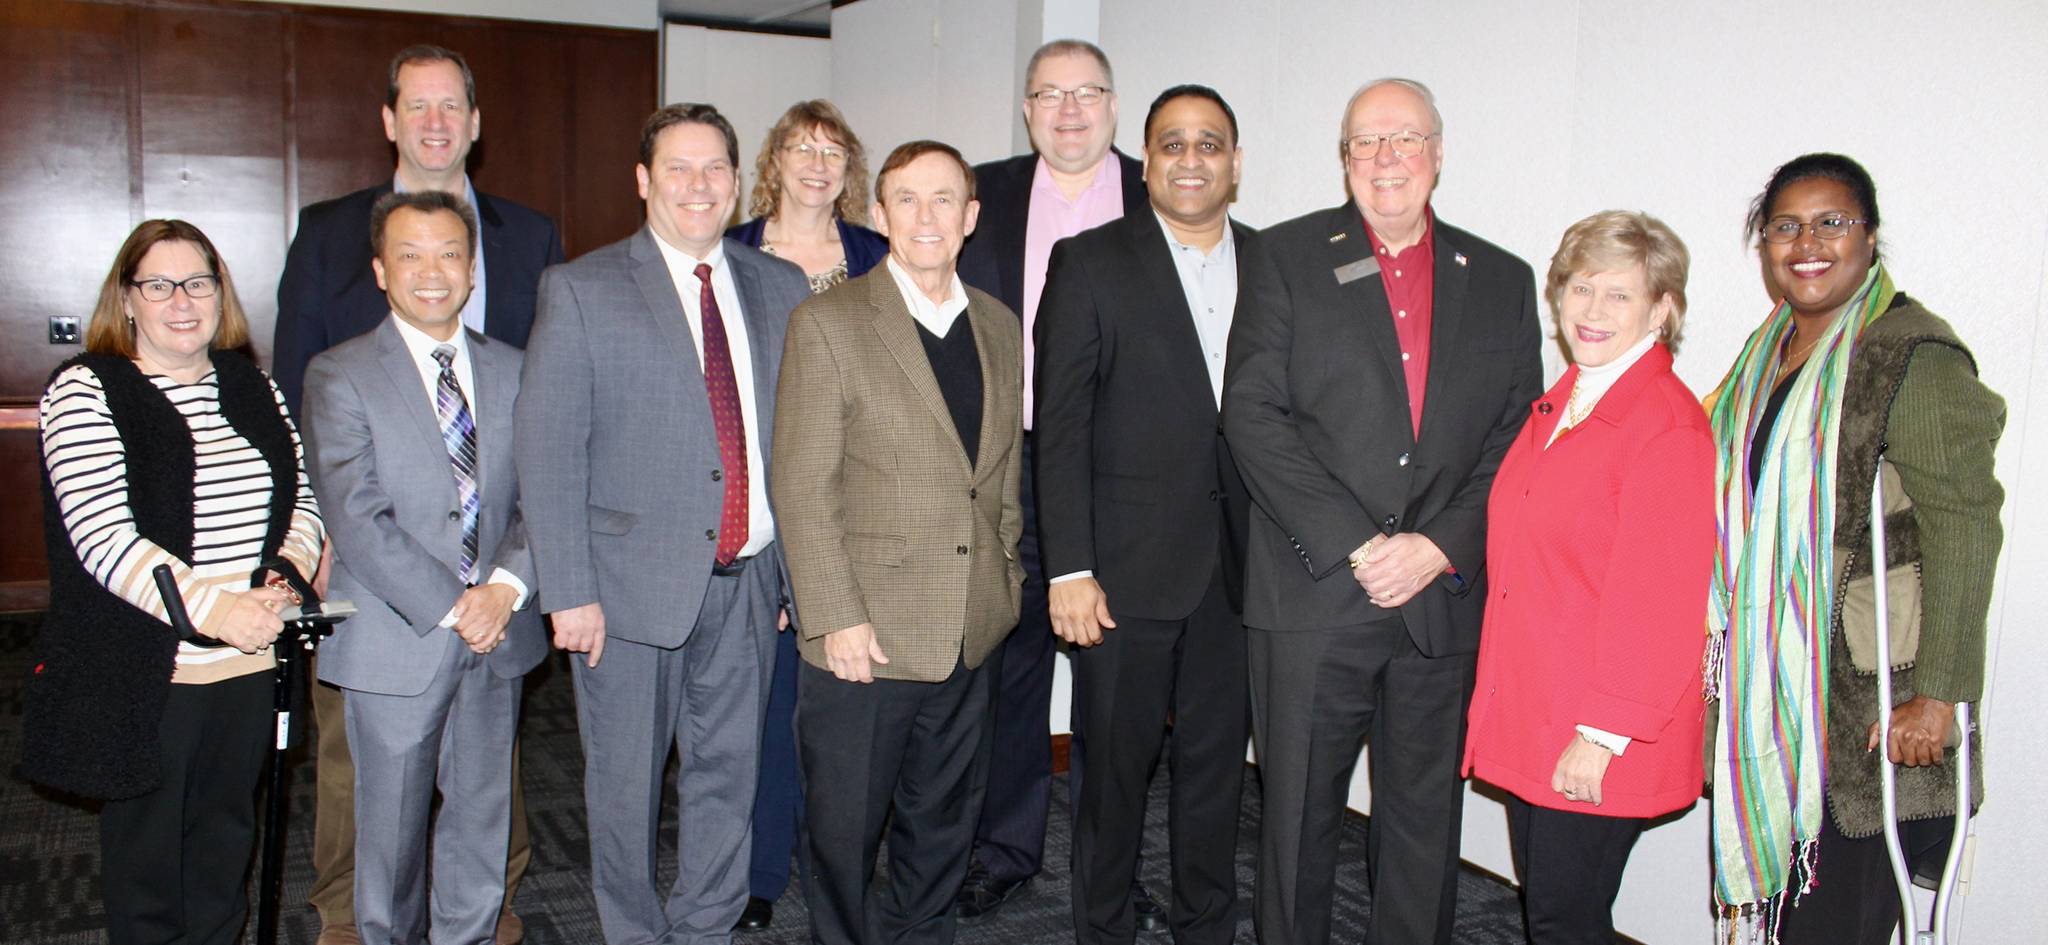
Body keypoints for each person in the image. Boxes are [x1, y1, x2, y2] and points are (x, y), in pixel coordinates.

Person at [1220, 77, 1542, 945]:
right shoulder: (1283, 258)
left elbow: (1518, 434)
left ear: (1438, 152)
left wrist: (1437, 545)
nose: (1385, 158)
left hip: (1439, 604)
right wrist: (1361, 544)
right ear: (1345, 160)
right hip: (1313, 594)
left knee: (1423, 830)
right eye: (1366, 143)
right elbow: (1252, 413)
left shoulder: (1504, 279)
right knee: (1295, 829)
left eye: (1404, 139)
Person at [271, 44, 562, 945]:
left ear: (473, 272)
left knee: (480, 828)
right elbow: (353, 507)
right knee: (384, 839)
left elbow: (544, 488)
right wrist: (455, 604)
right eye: (411, 257)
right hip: (400, 633)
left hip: (496, 632)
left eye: (450, 256)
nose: (433, 271)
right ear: (382, 271)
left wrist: (505, 590)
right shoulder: (340, 372)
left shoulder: (516, 371)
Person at [515, 102, 810, 945]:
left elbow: (792, 440)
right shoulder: (580, 287)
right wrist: (568, 590)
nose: (698, 185)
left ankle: (705, 928)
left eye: (714, 166)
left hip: (750, 581)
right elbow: (548, 449)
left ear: (736, 179)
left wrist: (793, 574)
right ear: (644, 180)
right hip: (625, 592)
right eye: (677, 168)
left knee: (728, 777)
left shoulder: (778, 285)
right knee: (624, 786)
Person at [1706, 153, 2004, 945]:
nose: (1808, 241)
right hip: (1777, 693)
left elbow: (1967, 526)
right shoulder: (1766, 353)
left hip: (1868, 701)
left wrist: (1939, 694)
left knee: (1839, 923)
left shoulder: (1913, 354)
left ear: (1869, 238)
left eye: (1831, 221)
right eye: (1785, 226)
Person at [26, 219, 324, 945]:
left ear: (220, 294)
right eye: (158, 284)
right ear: (126, 298)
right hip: (150, 673)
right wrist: (219, 610)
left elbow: (302, 500)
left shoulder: (249, 384)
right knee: (149, 868)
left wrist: (281, 582)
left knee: (225, 851)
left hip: (252, 661)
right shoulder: (85, 390)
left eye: (198, 281)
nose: (181, 300)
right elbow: (104, 537)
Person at [771, 138, 1024, 945]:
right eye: (906, 198)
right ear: (877, 215)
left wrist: (1007, 576)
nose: (925, 215)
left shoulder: (999, 323)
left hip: (968, 630)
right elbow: (802, 486)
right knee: (843, 834)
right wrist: (834, 615)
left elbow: (1002, 473)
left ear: (971, 216)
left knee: (943, 823)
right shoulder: (828, 322)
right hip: (864, 637)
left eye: (944, 198)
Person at [1032, 85, 1253, 945]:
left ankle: (1207, 930)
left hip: (1240, 577)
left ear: (1236, 161)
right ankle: (1105, 930)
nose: (1190, 159)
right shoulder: (1090, 261)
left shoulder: (1276, 265)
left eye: (1209, 143)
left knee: (1215, 781)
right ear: (1146, 161)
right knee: (1113, 783)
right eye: (1172, 144)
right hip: (1119, 577)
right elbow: (1061, 427)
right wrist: (1069, 568)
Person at [1461, 210, 1714, 943]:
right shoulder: (1563, 403)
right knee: (1554, 911)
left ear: (1662, 309)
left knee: (1564, 919)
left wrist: (1604, 733)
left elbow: (1662, 601)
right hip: (1539, 708)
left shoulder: (1663, 425)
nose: (1593, 311)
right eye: (1580, 288)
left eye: (1619, 295)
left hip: (1599, 730)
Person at [951, 37, 1157, 927]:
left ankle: (1114, 871)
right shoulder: (979, 196)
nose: (1069, 111)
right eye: (1049, 95)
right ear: (1027, 109)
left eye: (1088, 93)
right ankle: (1004, 850)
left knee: (1122, 689)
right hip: (1012, 465)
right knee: (1010, 666)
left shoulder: (1165, 193)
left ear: (1114, 104)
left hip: (1131, 473)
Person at [723, 98, 889, 932]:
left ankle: (843, 860)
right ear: (774, 162)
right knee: (761, 693)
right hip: (755, 494)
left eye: (834, 149)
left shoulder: (877, 255)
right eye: (801, 147)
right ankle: (757, 869)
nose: (818, 162)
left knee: (833, 697)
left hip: (852, 501)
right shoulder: (733, 251)